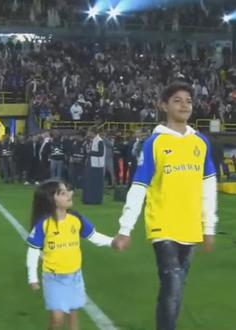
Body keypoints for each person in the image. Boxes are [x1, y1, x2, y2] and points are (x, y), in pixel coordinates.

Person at [112, 82, 218, 330]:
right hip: (163, 225)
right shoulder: (155, 143)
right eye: (177, 100)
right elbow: (139, 186)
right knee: (171, 284)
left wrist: (209, 226)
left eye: (188, 101)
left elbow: (209, 187)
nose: (184, 105)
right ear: (164, 106)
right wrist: (125, 228)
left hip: (191, 227)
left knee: (176, 288)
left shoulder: (201, 142)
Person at [26, 180, 113, 330]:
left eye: (68, 191)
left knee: (73, 315)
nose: (69, 194)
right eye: (63, 193)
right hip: (53, 278)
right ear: (51, 199)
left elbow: (94, 236)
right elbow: (33, 251)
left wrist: (113, 242)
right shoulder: (43, 224)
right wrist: (32, 277)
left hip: (75, 276)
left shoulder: (76, 219)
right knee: (57, 319)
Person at [82, 128, 105, 204]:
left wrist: (91, 153)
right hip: (91, 163)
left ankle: (95, 199)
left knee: (95, 183)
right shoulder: (91, 140)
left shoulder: (99, 141)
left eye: (89, 132)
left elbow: (101, 153)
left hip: (97, 165)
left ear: (93, 132)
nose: (88, 133)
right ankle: (88, 198)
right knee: (89, 182)